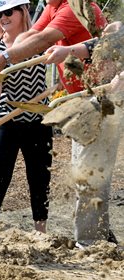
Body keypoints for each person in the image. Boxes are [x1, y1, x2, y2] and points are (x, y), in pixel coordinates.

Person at [0, 0, 52, 233]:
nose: (4, 18)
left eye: (9, 12)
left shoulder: (38, 41)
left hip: (38, 119)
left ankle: (40, 230)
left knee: (39, 176)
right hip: (5, 120)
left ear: (23, 10)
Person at [44, 32, 123, 246]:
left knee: (90, 175)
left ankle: (90, 240)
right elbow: (99, 44)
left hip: (110, 105)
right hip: (100, 102)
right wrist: (67, 51)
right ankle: (96, 237)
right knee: (86, 173)